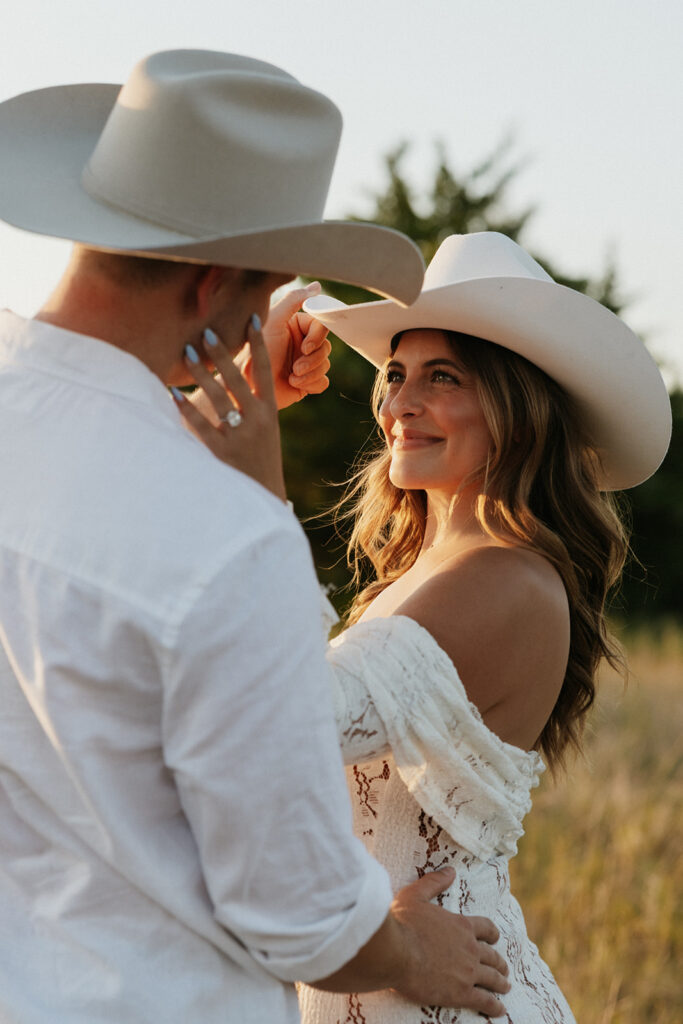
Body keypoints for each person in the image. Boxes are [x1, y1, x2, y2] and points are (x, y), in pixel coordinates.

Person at [0, 53, 513, 1023]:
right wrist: (417, 953)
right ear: (211, 285)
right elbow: (300, 912)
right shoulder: (230, 537)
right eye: (262, 288)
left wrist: (190, 419)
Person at [180, 231, 672, 1023]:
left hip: (448, 994)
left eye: (443, 377)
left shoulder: (504, 579)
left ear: (517, 411)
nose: (400, 404)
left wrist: (247, 448)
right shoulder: (412, 580)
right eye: (395, 374)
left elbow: (284, 719)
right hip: (387, 975)